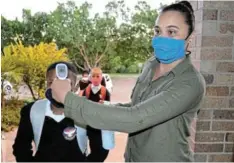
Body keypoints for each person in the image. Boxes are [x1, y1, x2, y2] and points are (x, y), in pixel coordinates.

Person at [50, 1, 206, 162]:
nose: (161, 38)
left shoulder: (191, 83)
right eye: (157, 31)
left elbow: (135, 118)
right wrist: (104, 108)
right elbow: (136, 106)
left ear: (190, 39)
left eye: (172, 32)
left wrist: (67, 99)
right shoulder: (151, 65)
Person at [12, 61, 102, 162]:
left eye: (65, 83)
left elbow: (99, 149)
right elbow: (21, 147)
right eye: (52, 82)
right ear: (47, 84)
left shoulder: (86, 111)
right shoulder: (31, 111)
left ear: (74, 86)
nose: (58, 89)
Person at [80, 67, 112, 162]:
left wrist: (104, 104)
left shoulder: (105, 91)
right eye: (93, 76)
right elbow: (81, 104)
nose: (95, 78)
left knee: (102, 151)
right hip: (88, 124)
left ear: (101, 77)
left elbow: (109, 105)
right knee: (92, 148)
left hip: (100, 125)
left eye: (98, 76)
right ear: (90, 78)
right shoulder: (87, 90)